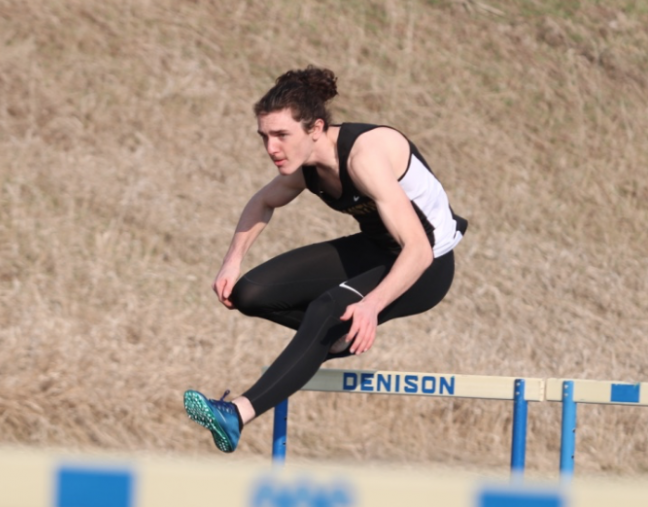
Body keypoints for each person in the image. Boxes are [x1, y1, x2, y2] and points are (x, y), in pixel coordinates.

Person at [184, 66, 467, 453]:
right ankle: (333, 337)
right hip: (376, 249)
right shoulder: (306, 167)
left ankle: (236, 413)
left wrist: (369, 306)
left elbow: (417, 248)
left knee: (329, 307)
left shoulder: (364, 156)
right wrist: (231, 262)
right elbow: (263, 201)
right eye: (264, 137)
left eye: (282, 135)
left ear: (315, 128)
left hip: (427, 264)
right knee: (249, 294)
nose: (271, 148)